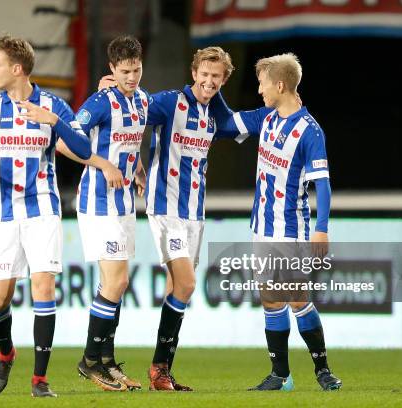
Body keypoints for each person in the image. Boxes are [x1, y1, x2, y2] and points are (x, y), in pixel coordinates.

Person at [0, 35, 94, 398]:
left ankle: (39, 380)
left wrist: (55, 121)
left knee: (43, 288)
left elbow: (84, 148)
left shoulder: (54, 106)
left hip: (43, 210)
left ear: (16, 69)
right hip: (2, 214)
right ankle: (6, 354)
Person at [214, 53, 342, 391]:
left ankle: (323, 371)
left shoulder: (309, 131)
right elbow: (227, 124)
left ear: (280, 85)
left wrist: (322, 227)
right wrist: (211, 87)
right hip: (262, 226)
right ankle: (280, 376)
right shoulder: (267, 117)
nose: (259, 90)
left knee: (297, 297)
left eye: (263, 84)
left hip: (291, 227)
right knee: (271, 298)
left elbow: (323, 184)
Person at [46, 35, 147, 392]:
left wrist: (137, 169)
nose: (131, 77)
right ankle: (90, 359)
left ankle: (106, 362)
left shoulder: (142, 101)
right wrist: (103, 164)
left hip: (124, 203)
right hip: (98, 202)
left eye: (135, 69)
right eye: (124, 71)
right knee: (116, 283)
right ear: (111, 69)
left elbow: (128, 145)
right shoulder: (100, 102)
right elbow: (63, 143)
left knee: (115, 286)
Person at [142, 46, 240, 391]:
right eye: (205, 73)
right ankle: (156, 368)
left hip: (194, 214)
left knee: (176, 289)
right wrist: (109, 93)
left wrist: (280, 106)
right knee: (186, 285)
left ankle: (162, 371)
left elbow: (242, 124)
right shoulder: (169, 102)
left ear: (223, 79)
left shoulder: (215, 114)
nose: (209, 81)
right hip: (165, 208)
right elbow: (133, 112)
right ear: (194, 72)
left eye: (216, 76)